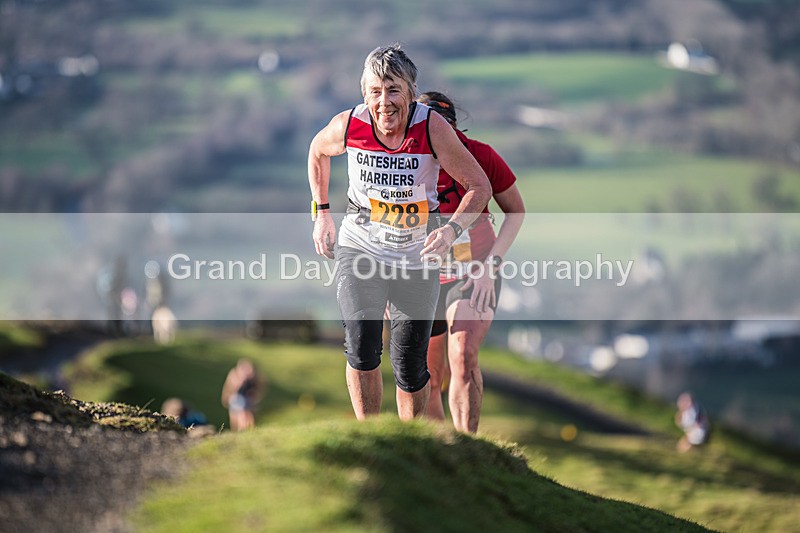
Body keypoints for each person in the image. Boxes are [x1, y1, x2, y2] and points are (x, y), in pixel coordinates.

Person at [308, 44, 491, 421]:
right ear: (364, 94)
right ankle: (370, 436)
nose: (384, 102)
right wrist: (322, 213)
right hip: (361, 248)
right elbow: (317, 151)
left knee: (410, 368)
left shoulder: (431, 128)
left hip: (417, 256)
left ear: (410, 91)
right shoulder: (350, 124)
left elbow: (479, 186)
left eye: (393, 90)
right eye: (375, 91)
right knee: (361, 346)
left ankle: (407, 441)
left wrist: (451, 230)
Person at [418, 91, 526, 433]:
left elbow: (516, 211)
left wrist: (490, 267)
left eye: (447, 133)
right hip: (425, 279)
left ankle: (468, 445)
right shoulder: (409, 163)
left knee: (462, 355)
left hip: (475, 271)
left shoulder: (480, 156)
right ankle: (439, 453)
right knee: (428, 373)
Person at [221, 359, 265, 431]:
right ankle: (237, 431)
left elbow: (258, 388)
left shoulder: (253, 378)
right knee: (235, 416)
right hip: (235, 398)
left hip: (245, 399)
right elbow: (229, 388)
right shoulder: (234, 376)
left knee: (244, 415)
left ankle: (245, 430)